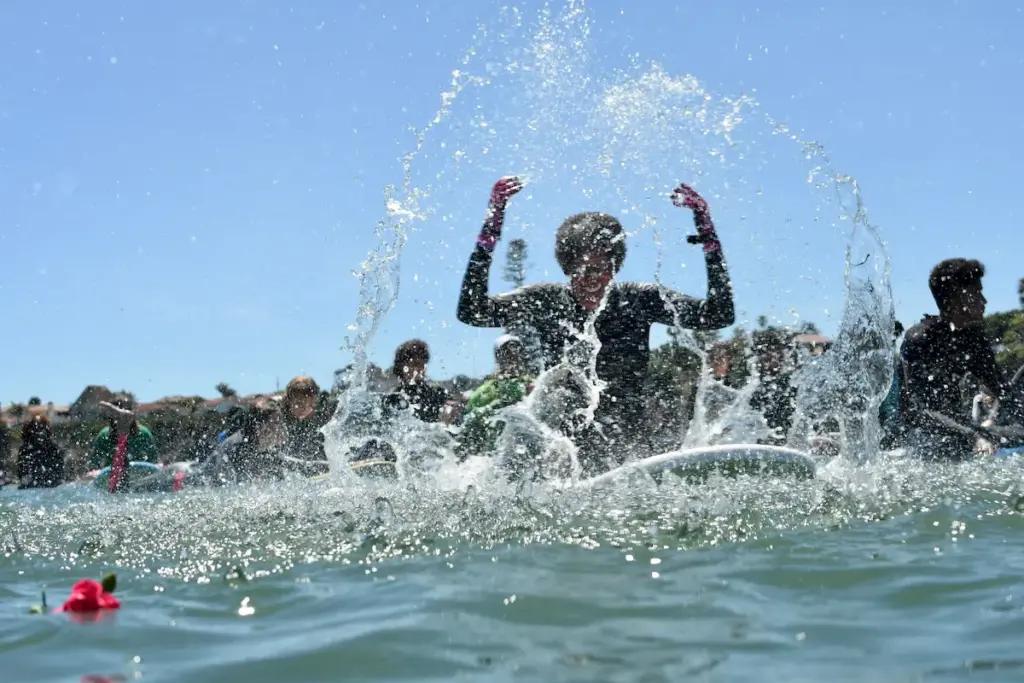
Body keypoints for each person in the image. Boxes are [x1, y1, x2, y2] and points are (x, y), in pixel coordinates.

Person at [456, 176, 735, 473]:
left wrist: (707, 233)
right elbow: (473, 311)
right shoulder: (547, 301)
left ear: (615, 267)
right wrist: (490, 230)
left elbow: (717, 315)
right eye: (582, 270)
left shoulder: (640, 300)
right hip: (566, 451)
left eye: (602, 270)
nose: (593, 280)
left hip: (628, 445)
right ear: (567, 267)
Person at [897, 259, 1024, 459]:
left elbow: (1004, 393)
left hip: (963, 431)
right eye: (977, 292)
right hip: (918, 438)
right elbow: (917, 411)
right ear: (957, 299)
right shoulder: (919, 339)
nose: (984, 301)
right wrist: (972, 436)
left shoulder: (973, 341)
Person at [457, 334, 536, 458]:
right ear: (498, 357)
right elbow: (470, 422)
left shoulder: (534, 384)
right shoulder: (485, 391)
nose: (513, 354)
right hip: (497, 454)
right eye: (506, 351)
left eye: (517, 349)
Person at [88, 396, 159, 491]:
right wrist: (95, 473)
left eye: (125, 410)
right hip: (112, 481)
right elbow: (94, 465)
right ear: (111, 415)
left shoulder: (144, 434)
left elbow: (154, 462)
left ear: (132, 413)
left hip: (140, 481)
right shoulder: (104, 435)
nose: (121, 417)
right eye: (116, 413)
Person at [382, 339, 454, 424]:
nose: (419, 369)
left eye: (422, 364)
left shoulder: (438, 394)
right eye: (414, 364)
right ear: (401, 366)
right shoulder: (393, 398)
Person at [17, 414, 65, 489]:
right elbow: (21, 472)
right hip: (30, 487)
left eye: (41, 427)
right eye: (35, 427)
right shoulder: (24, 449)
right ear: (29, 430)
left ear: (46, 429)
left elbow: (60, 469)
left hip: (50, 485)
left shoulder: (52, 447)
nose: (38, 431)